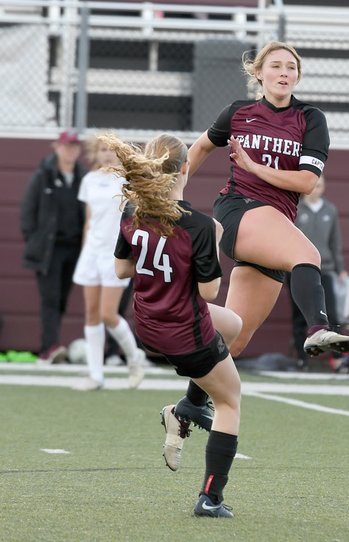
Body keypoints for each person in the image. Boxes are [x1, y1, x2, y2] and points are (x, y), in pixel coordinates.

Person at [186, 41, 349, 364]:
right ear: (259, 73)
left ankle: (188, 406)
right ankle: (318, 328)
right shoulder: (239, 112)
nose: (284, 72)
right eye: (276, 65)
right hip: (238, 209)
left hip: (275, 227)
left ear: (298, 76)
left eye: (291, 67)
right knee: (307, 254)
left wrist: (255, 167)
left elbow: (307, 182)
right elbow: (198, 150)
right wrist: (172, 191)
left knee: (232, 341)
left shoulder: (311, 119)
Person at [105, 132, 244, 517]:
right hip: (184, 328)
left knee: (232, 325)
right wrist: (212, 239)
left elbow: (121, 269)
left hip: (149, 320)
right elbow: (210, 290)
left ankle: (188, 406)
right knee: (231, 402)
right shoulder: (199, 225)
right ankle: (210, 498)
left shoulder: (132, 211)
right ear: (186, 168)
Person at [71, 136, 146, 391]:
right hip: (91, 254)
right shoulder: (89, 181)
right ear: (96, 153)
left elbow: (134, 219)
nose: (106, 155)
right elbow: (89, 220)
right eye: (102, 150)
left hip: (115, 255)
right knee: (92, 314)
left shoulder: (127, 181)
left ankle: (135, 358)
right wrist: (85, 251)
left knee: (108, 314)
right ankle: (96, 375)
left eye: (111, 151)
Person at [21, 130, 88, 364]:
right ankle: (49, 347)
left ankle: (51, 344)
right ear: (57, 148)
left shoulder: (82, 176)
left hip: (74, 249)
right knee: (49, 298)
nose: (71, 151)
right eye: (66, 146)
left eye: (74, 147)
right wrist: (34, 241)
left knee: (61, 299)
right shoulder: (43, 176)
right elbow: (28, 214)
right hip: (49, 250)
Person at [287, 174, 349, 368]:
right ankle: (302, 359)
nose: (316, 188)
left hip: (325, 269)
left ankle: (337, 360)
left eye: (320, 185)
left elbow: (335, 243)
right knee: (299, 315)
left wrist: (340, 269)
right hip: (298, 268)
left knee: (331, 313)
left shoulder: (330, 210)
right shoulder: (295, 208)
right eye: (313, 185)